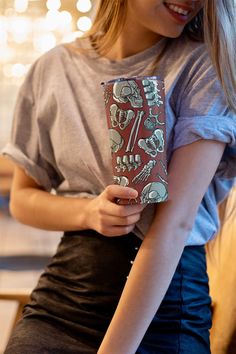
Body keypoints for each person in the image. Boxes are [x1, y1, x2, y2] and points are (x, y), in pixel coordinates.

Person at [2, 0, 236, 353]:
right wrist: (88, 212)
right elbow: (22, 198)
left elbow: (175, 225)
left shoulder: (203, 66)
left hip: (164, 307)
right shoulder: (52, 69)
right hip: (65, 299)